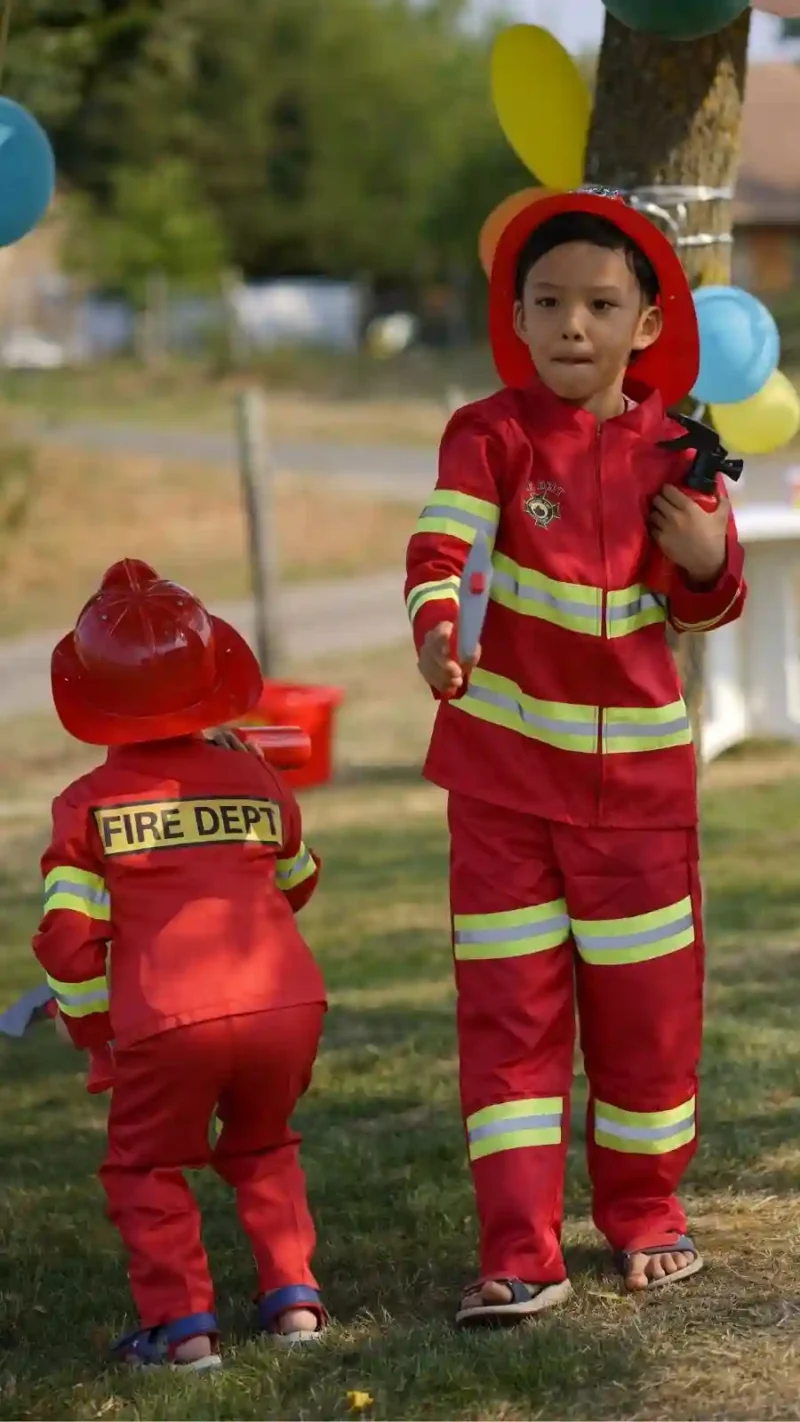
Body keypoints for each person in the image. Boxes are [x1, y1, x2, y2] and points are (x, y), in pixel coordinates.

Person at [404, 186, 747, 1327]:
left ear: (644, 325)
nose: (571, 326)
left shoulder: (681, 447)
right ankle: (519, 1249)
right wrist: (434, 624)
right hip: (504, 792)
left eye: (600, 305)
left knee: (647, 1015)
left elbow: (705, 606)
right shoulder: (485, 434)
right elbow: (441, 540)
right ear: (515, 311)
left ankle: (644, 1216)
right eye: (547, 302)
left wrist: (703, 558)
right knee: (508, 1013)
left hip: (640, 803)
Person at [33, 559, 327, 1369]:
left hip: (165, 1020)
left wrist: (94, 1024)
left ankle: (184, 1329)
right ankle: (294, 1301)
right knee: (266, 1146)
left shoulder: (84, 808)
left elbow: (67, 937)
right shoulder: (258, 776)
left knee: (147, 1164)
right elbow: (298, 881)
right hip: (285, 1005)